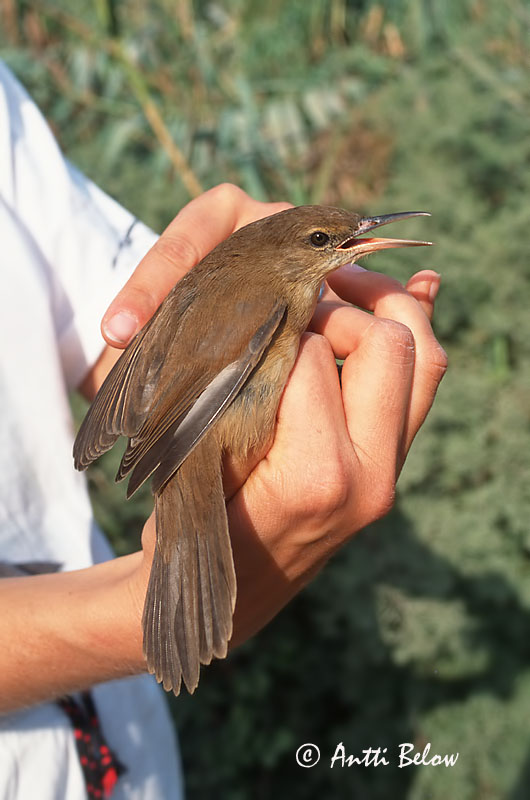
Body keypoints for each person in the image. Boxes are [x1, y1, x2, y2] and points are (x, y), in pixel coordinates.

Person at [0, 61, 447, 798]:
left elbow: (130, 334)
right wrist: (117, 622)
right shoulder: (269, 294)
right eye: (327, 241)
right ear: (288, 255)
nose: (350, 243)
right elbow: (203, 389)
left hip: (134, 761)